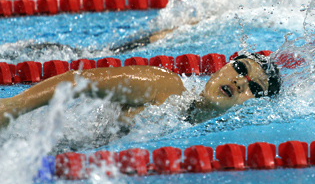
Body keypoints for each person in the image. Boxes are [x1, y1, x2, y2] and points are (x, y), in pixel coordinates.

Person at [0, 53, 281, 128]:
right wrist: (13, 107)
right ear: (223, 67)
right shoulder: (167, 87)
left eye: (254, 88)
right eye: (241, 69)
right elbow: (78, 81)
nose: (240, 82)